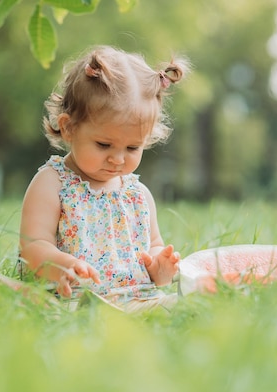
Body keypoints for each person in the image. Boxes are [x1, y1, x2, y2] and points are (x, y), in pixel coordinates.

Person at [18, 45, 190, 312]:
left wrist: (160, 268)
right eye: (103, 144)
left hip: (136, 300)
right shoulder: (52, 183)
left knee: (192, 305)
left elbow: (152, 247)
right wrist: (61, 265)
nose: (118, 159)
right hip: (71, 300)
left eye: (133, 148)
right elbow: (33, 246)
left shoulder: (137, 194)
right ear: (68, 128)